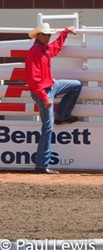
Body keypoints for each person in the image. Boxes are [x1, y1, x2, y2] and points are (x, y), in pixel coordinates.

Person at [25, 23, 82, 174]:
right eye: (46, 34)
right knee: (47, 128)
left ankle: (61, 115)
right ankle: (41, 165)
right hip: (43, 90)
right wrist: (45, 98)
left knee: (76, 85)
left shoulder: (43, 49)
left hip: (49, 86)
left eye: (49, 34)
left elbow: (55, 47)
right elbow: (33, 80)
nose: (48, 37)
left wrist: (64, 33)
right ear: (38, 36)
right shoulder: (34, 54)